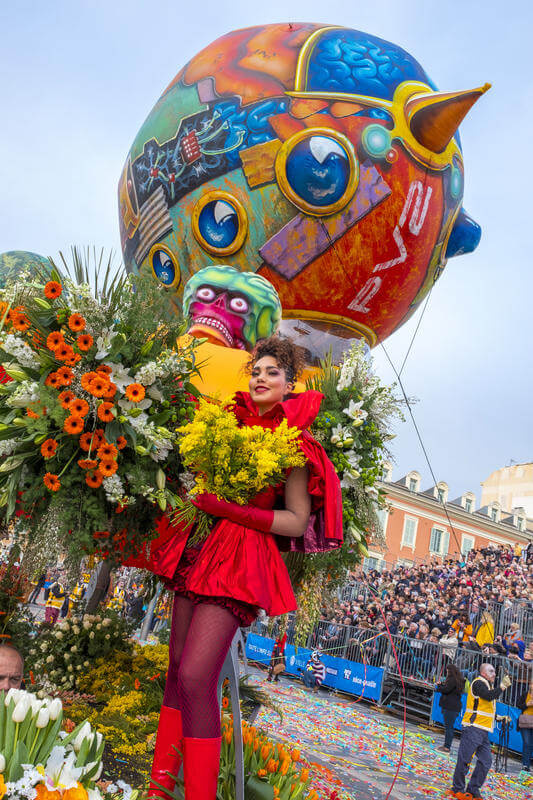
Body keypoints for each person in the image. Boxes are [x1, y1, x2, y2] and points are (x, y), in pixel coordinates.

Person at [134, 336, 343, 800]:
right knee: (175, 672)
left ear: (290, 384)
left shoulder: (295, 443)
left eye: (272, 372)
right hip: (198, 548)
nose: (261, 378)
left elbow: (295, 519)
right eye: (257, 371)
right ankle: (159, 789)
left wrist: (230, 508)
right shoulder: (225, 423)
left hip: (241, 559)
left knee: (194, 676)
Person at [451, 663, 512, 799]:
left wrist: (498, 717)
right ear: (483, 673)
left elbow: (484, 707)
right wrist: (502, 686)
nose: (494, 674)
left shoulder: (487, 685)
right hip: (473, 727)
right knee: (465, 759)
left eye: (494, 671)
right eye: (491, 671)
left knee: (486, 761)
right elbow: (488, 696)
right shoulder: (478, 682)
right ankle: (457, 788)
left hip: (483, 730)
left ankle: (473, 789)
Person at [435, 663, 465, 752]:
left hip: (450, 706)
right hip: (453, 706)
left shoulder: (452, 680)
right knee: (449, 727)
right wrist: (442, 685)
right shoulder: (458, 680)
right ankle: (446, 745)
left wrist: (439, 686)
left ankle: (447, 747)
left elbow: (446, 690)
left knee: (449, 727)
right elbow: (448, 689)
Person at [517, 677, 533, 776]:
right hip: (525, 721)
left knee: (531, 744)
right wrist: (527, 704)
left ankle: (527, 765)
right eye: (531, 683)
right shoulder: (525, 694)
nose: (532, 685)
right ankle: (525, 765)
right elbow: (519, 705)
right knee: (527, 742)